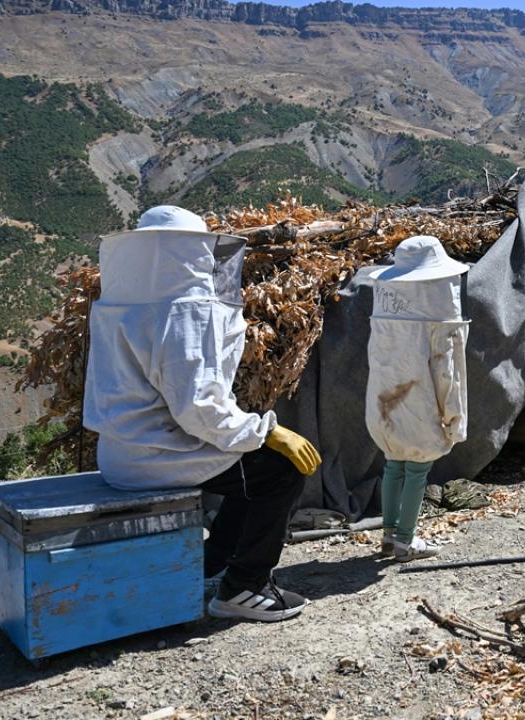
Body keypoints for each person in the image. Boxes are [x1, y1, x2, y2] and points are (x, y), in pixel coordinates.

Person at [84, 206, 320, 623]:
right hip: (159, 455)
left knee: (250, 471)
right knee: (280, 470)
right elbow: (197, 407)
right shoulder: (183, 311)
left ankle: (213, 564)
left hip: (122, 452)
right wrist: (267, 432)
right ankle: (244, 588)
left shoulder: (123, 302)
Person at [365, 235, 470, 562]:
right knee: (416, 470)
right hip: (419, 404)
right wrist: (454, 416)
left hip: (382, 406)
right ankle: (405, 542)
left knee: (394, 465)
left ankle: (388, 535)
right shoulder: (438, 326)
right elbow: (446, 373)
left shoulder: (386, 318)